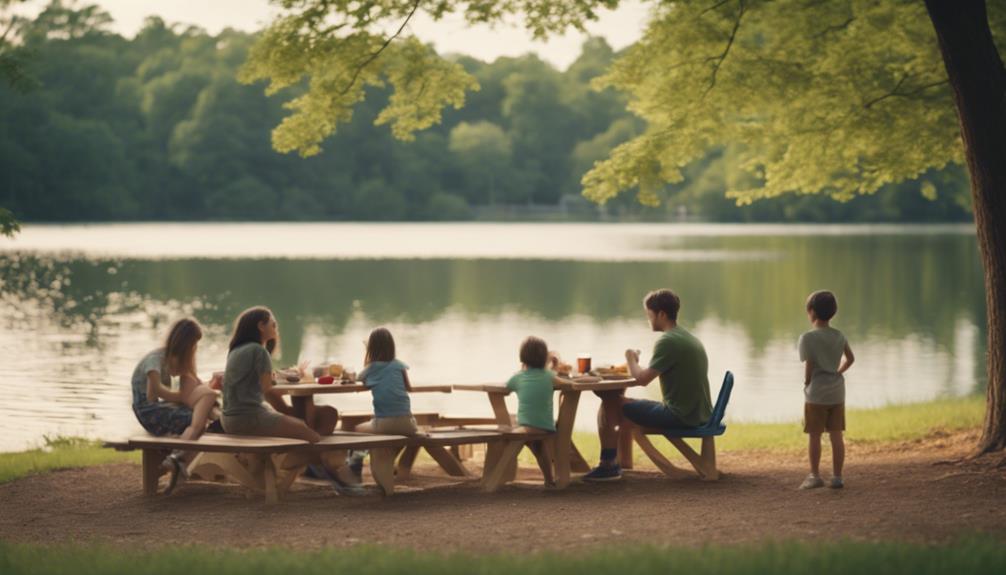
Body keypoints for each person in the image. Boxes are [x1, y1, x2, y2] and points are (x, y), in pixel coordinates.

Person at [583, 288, 712, 482]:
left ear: (661, 314)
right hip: (697, 412)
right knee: (620, 403)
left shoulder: (668, 342)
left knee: (611, 402)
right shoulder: (686, 337)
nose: (648, 320)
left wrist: (630, 359)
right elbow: (650, 372)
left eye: (649, 315)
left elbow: (643, 380)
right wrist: (635, 366)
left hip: (680, 415)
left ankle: (608, 465)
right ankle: (614, 462)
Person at [130, 317, 220, 494]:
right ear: (185, 343)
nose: (194, 349)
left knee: (201, 414)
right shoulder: (156, 359)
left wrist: (208, 386)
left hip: (158, 408)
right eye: (193, 344)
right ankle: (178, 458)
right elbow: (153, 392)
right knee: (197, 419)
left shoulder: (175, 358)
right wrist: (182, 397)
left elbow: (193, 380)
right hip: (148, 412)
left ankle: (178, 460)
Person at [220, 306, 325, 442]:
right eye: (273, 325)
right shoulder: (259, 351)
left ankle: (298, 460)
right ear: (261, 326)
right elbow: (267, 390)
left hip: (228, 420)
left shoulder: (237, 349)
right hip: (248, 419)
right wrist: (287, 409)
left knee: (307, 422)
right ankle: (315, 460)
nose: (276, 329)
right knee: (312, 436)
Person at [505, 336, 583, 485]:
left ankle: (500, 475)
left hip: (527, 427)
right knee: (538, 446)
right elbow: (568, 385)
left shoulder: (518, 377)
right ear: (544, 358)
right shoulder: (549, 376)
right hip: (546, 427)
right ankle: (549, 480)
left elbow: (506, 389)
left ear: (522, 358)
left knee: (509, 436)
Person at [798, 290, 855, 490]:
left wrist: (806, 382)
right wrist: (838, 371)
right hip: (837, 393)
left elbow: (810, 364)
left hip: (817, 393)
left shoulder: (807, 338)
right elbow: (851, 359)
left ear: (811, 312)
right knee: (836, 435)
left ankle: (814, 476)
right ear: (833, 312)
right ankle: (837, 477)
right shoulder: (839, 335)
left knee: (814, 435)